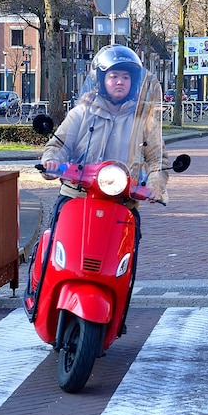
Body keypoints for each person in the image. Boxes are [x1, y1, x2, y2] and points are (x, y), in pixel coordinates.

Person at [40, 44, 170, 289]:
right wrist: (52, 160)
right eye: (113, 76)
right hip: (77, 195)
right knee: (55, 248)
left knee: (123, 262)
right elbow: (59, 144)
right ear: (101, 80)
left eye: (125, 77)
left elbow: (157, 159)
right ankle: (42, 290)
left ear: (134, 83)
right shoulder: (81, 114)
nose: (119, 82)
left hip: (121, 201)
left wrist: (155, 184)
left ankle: (118, 304)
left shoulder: (143, 121)